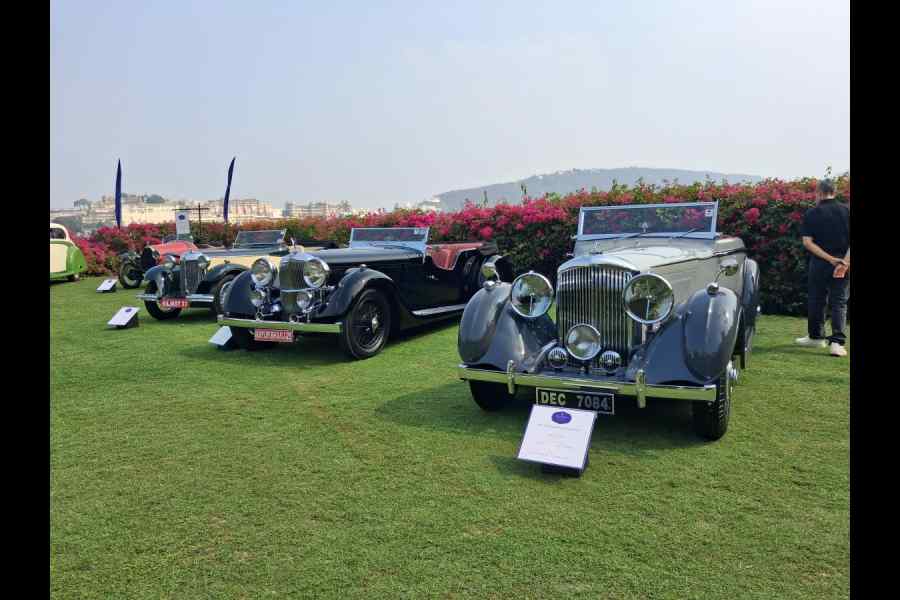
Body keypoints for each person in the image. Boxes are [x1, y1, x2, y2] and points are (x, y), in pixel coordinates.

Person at [794, 179, 850, 357]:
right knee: (839, 301)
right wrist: (844, 263)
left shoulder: (812, 213)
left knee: (817, 299)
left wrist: (830, 259)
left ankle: (816, 338)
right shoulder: (847, 211)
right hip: (843, 262)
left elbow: (807, 242)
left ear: (818, 192)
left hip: (820, 262)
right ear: (835, 191)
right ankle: (836, 343)